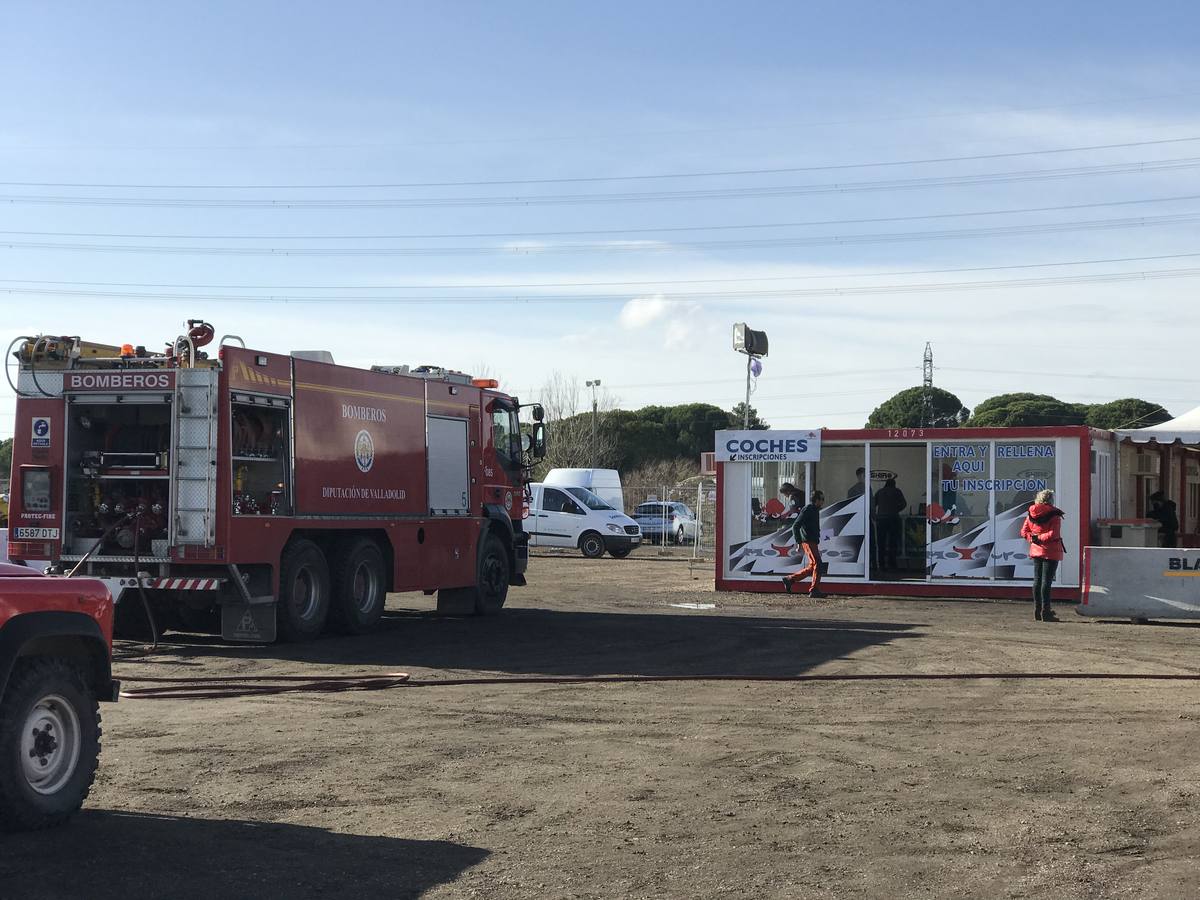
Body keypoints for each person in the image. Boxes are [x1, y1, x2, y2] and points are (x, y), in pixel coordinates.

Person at [1020, 489, 1065, 622]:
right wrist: (1040, 538)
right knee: (1047, 582)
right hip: (1051, 550)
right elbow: (1054, 534)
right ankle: (1046, 611)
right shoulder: (1055, 514)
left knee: (1037, 580)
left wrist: (1033, 539)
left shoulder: (1031, 514)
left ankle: (1037, 610)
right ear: (1051, 499)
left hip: (1036, 550)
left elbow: (1024, 531)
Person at [782, 489, 826, 598]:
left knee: (813, 566)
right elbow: (796, 526)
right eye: (822, 499)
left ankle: (790, 579)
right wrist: (799, 542)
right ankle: (814, 590)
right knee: (818, 564)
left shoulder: (814, 510)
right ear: (816, 500)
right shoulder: (808, 509)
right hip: (808, 541)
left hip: (812, 542)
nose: (823, 502)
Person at [873, 477, 907, 572]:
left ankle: (882, 564)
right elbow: (904, 504)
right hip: (893, 519)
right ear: (894, 484)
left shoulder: (880, 492)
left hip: (881, 520)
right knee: (893, 543)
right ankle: (892, 564)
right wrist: (896, 510)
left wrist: (875, 515)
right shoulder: (897, 491)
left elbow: (873, 504)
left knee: (881, 544)